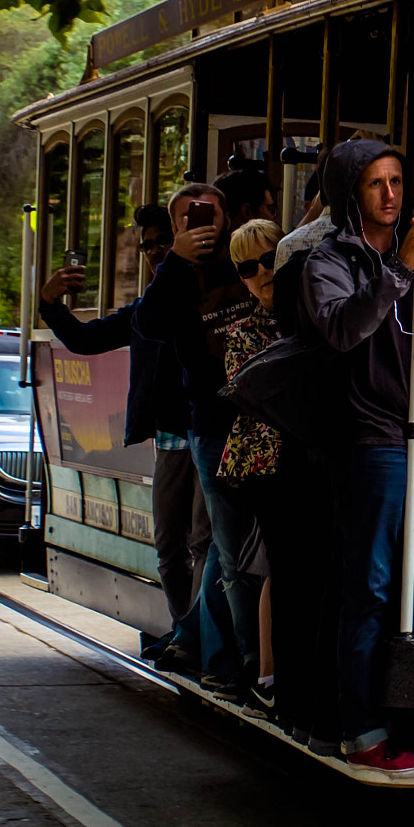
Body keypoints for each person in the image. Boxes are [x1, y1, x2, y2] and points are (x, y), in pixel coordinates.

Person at [302, 139, 414, 779]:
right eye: (374, 184)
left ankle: (406, 716)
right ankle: (360, 731)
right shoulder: (329, 259)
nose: (390, 195)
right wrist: (402, 271)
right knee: (371, 586)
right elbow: (340, 330)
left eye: (396, 181)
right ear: (348, 194)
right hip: (371, 439)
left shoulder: (412, 253)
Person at [37, 205, 210, 668]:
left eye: (162, 241)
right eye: (148, 244)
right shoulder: (147, 310)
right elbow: (86, 340)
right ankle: (182, 631)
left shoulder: (214, 294)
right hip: (172, 440)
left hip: (210, 438)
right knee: (170, 546)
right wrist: (49, 304)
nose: (155, 251)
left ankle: (198, 640)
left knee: (203, 542)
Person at [134, 182, 260, 696]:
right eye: (187, 218)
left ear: (227, 217)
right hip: (211, 430)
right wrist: (175, 262)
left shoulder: (243, 261)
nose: (199, 223)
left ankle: (196, 639)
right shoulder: (177, 276)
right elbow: (148, 322)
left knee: (238, 549)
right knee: (227, 552)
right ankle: (228, 663)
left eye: (207, 214)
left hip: (263, 424)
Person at [221, 218, 287, 718]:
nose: (262, 273)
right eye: (248, 268)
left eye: (269, 259)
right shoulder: (244, 331)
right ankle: (267, 675)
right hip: (268, 464)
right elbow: (257, 393)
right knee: (274, 566)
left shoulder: (314, 311)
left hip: (308, 458)